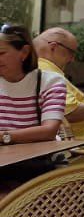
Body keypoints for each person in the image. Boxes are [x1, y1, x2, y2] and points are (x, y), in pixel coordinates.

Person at [0, 23, 67, 157]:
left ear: (24, 52)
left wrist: (4, 136)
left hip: (36, 161)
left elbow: (49, 131)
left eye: (1, 53)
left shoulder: (49, 82)